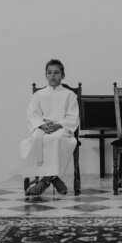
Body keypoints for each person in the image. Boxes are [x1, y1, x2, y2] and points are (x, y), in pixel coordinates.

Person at [21, 59, 79, 196]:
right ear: (45, 75)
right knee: (31, 141)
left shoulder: (70, 95)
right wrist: (42, 125)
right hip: (43, 128)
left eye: (56, 72)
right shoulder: (38, 95)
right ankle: (54, 178)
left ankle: (44, 181)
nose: (53, 76)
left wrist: (58, 125)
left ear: (63, 75)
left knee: (56, 139)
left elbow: (72, 116)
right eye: (49, 72)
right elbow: (32, 114)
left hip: (62, 128)